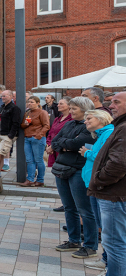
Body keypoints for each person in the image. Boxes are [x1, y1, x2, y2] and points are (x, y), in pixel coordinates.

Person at [49, 96, 98, 259]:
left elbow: (77, 144)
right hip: (62, 168)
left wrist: (66, 145)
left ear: (84, 110)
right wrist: (66, 145)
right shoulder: (69, 123)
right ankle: (74, 240)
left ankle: (90, 245)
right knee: (69, 207)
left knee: (84, 209)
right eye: (70, 109)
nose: (70, 112)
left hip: (77, 170)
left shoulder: (89, 126)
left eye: (74, 109)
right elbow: (56, 142)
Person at [88, 92, 126, 276]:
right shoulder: (120, 126)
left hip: (114, 195)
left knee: (114, 244)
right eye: (110, 102)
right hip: (115, 194)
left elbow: (118, 163)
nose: (110, 106)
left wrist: (99, 180)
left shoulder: (123, 128)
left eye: (116, 102)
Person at [79, 109, 114, 272]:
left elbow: (102, 157)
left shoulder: (109, 133)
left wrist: (87, 153)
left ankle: (111, 264)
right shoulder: (100, 134)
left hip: (100, 185)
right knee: (101, 224)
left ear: (101, 119)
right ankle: (106, 259)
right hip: (91, 183)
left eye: (89, 118)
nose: (85, 121)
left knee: (109, 230)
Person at [20, 95, 50, 187]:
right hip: (27, 138)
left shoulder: (42, 112)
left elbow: (46, 125)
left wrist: (39, 136)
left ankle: (40, 180)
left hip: (38, 138)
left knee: (38, 160)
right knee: (29, 160)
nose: (29, 103)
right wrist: (25, 124)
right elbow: (22, 126)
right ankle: (30, 179)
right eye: (28, 102)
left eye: (32, 102)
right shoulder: (27, 113)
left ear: (38, 103)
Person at [0, 90, 22, 174]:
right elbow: (0, 120)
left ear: (10, 96)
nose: (2, 97)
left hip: (7, 135)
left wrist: (11, 135)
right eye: (2, 96)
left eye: (4, 96)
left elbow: (16, 122)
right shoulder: (2, 107)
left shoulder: (14, 108)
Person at [47, 96, 73, 168]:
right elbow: (51, 133)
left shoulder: (71, 119)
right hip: (53, 149)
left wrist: (53, 146)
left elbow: (67, 135)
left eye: (61, 103)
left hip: (62, 150)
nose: (58, 105)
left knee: (62, 170)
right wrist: (49, 144)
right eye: (58, 103)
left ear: (69, 106)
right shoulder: (57, 119)